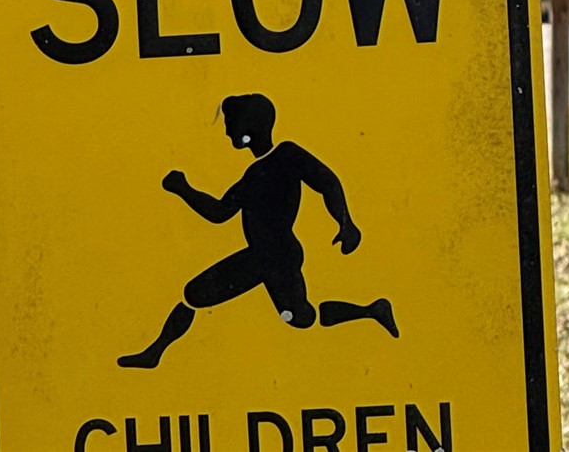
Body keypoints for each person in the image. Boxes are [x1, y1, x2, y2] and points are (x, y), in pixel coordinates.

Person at [118, 93, 398, 368]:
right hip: (263, 256)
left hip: (278, 256)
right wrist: (184, 190)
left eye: (230, 125)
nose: (227, 132)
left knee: (292, 316)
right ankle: (372, 310)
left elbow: (328, 182)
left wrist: (346, 222)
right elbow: (219, 213)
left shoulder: (286, 154)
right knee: (208, 297)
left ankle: (371, 310)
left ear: (247, 128)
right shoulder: (252, 175)